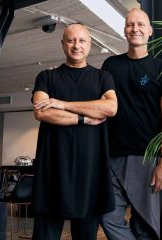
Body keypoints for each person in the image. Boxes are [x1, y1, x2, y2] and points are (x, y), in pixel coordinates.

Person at [100, 8, 162, 240]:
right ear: (124, 31)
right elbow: (103, 107)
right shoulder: (110, 65)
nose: (135, 28)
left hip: (147, 158)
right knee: (107, 218)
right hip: (111, 157)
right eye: (130, 24)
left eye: (140, 24)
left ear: (150, 32)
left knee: (145, 226)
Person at [31, 23, 118, 240]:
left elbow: (110, 108)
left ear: (90, 45)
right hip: (52, 172)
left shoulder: (103, 77)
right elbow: (42, 113)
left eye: (81, 41)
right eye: (71, 40)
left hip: (90, 174)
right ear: (63, 44)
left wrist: (61, 104)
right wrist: (84, 117)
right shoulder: (46, 77)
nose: (76, 45)